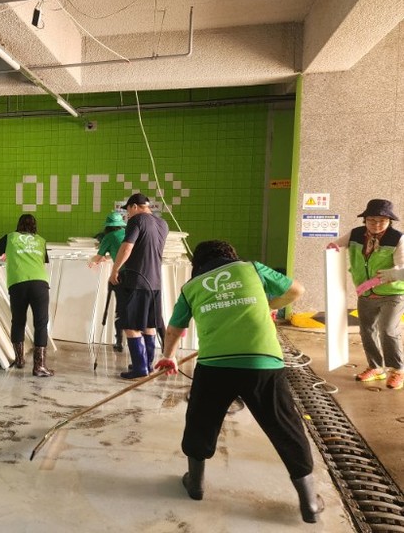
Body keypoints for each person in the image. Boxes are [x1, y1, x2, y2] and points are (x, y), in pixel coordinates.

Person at [153, 240, 323, 524]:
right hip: (263, 363)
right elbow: (296, 290)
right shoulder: (252, 269)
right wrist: (267, 305)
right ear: (231, 255)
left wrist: (169, 357)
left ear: (198, 264)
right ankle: (310, 503)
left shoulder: (191, 287)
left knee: (201, 422)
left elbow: (174, 328)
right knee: (285, 427)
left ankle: (195, 485)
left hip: (215, 365)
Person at [327, 199, 404, 390]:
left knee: (388, 330)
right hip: (365, 293)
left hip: (392, 293)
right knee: (367, 331)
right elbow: (336, 246)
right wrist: (332, 248)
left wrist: (394, 274)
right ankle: (376, 367)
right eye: (372, 220)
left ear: (389, 221)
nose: (376, 224)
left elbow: (403, 266)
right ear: (365, 220)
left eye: (382, 220)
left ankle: (398, 370)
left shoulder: (397, 238)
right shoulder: (355, 234)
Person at [109, 193, 168, 379]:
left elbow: (127, 247)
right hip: (155, 282)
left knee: (131, 325)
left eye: (128, 210)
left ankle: (140, 367)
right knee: (149, 324)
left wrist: (115, 270)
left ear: (134, 206)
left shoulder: (137, 220)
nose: (128, 214)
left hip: (137, 280)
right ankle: (147, 365)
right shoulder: (163, 224)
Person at [0, 214, 53, 377]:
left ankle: (19, 360)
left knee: (18, 321)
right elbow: (42, 260)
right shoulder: (41, 241)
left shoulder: (10, 237)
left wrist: (9, 254)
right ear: (35, 226)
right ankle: (39, 367)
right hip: (39, 283)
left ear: (18, 224)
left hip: (17, 283)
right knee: (41, 323)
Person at [89, 211, 126, 352]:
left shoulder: (108, 237)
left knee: (120, 309)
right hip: (136, 275)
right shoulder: (128, 233)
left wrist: (91, 261)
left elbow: (98, 257)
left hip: (121, 275)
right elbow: (121, 252)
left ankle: (119, 341)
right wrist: (109, 257)